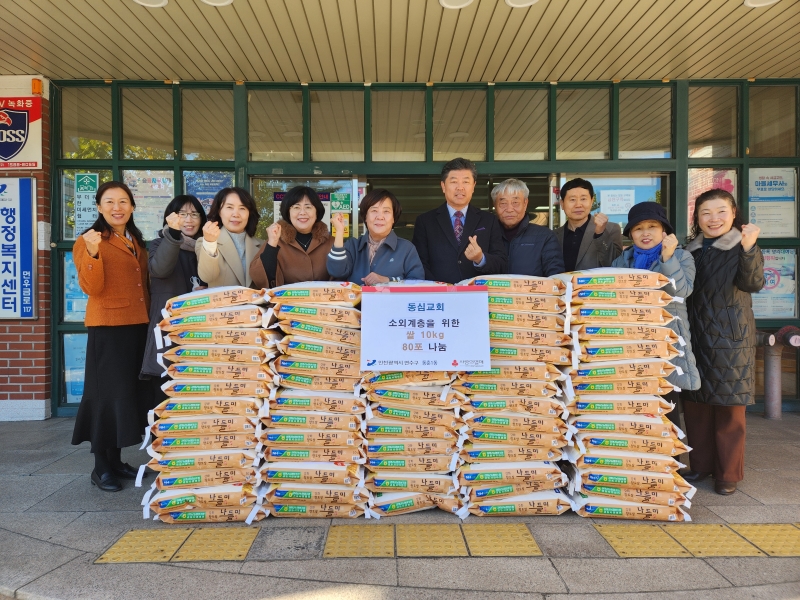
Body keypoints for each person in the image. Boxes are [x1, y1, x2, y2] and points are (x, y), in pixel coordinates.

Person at [680, 189, 764, 496]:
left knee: (729, 408)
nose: (713, 219)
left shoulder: (741, 246)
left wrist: (750, 248)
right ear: (697, 218)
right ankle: (701, 465)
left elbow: (752, 283)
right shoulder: (691, 249)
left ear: (733, 215)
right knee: (697, 405)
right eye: (705, 213)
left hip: (730, 339)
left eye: (720, 212)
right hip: (695, 336)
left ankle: (728, 474)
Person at [71, 181, 151, 493]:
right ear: (99, 207)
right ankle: (100, 467)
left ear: (132, 206)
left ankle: (116, 460)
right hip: (108, 329)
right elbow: (91, 287)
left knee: (125, 396)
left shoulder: (134, 239)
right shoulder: (90, 240)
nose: (116, 207)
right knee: (105, 397)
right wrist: (92, 253)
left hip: (136, 326)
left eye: (123, 201)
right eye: (109, 202)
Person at [612, 202, 701, 428]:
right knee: (636, 412)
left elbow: (681, 291)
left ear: (664, 231)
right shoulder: (621, 261)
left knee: (666, 412)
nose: (645, 233)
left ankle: (670, 462)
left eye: (652, 226)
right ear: (631, 233)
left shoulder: (681, 257)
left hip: (666, 344)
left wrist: (667, 258)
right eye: (638, 228)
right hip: (631, 345)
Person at [140, 195, 207, 405]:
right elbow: (160, 270)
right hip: (169, 325)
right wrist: (174, 235)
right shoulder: (160, 243)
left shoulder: (205, 247)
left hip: (200, 326)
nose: (189, 219)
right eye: (182, 214)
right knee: (167, 380)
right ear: (171, 218)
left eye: (194, 214)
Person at [412, 157, 506, 283]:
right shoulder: (425, 222)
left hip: (477, 296)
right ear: (443, 186)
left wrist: (480, 258)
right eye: (454, 181)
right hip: (439, 297)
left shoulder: (489, 220)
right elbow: (419, 264)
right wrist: (438, 289)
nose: (460, 187)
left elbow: (502, 264)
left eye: (466, 182)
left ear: (473, 186)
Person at [327, 189, 424, 283]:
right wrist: (339, 232)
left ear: (393, 218)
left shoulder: (406, 249)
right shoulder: (353, 246)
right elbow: (336, 271)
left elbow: (417, 282)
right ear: (365, 216)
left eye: (386, 211)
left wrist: (388, 280)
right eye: (374, 211)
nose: (380, 217)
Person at [250, 186, 333, 289]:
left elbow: (341, 278)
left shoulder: (331, 242)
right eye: (296, 207)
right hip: (286, 304)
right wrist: (271, 245)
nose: (302, 212)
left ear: (317, 212)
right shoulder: (276, 240)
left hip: (324, 303)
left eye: (308, 207)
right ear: (288, 213)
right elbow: (260, 277)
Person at [492, 178, 564, 277]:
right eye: (503, 203)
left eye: (515, 202)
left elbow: (556, 277)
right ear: (495, 205)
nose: (509, 209)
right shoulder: (486, 235)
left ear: (525, 203)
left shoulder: (545, 237)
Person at [196, 187, 263, 288]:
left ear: (249, 213)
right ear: (219, 211)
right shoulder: (205, 243)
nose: (236, 214)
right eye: (229, 207)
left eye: (242, 208)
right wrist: (209, 243)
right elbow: (208, 276)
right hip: (222, 304)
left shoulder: (262, 245)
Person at [554, 178, 623, 271]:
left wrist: (600, 234)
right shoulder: (553, 236)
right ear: (562, 204)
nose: (578, 205)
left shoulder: (611, 229)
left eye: (583, 199)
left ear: (591, 201)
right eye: (572, 199)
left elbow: (616, 266)